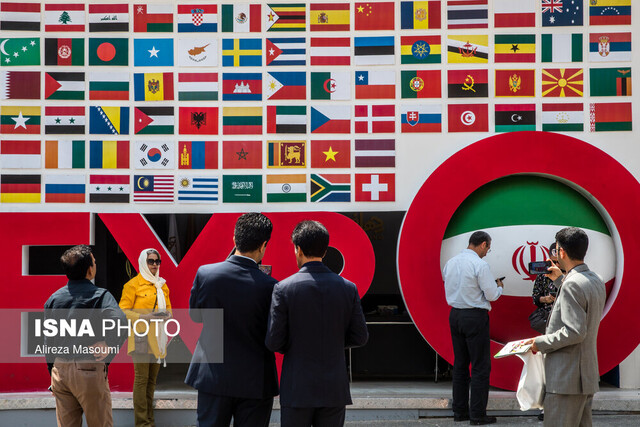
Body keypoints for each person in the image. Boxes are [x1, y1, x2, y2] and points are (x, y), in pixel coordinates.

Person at [266, 220, 369, 427]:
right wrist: (334, 340)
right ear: (325, 249)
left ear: (298, 249)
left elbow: (274, 341)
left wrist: (295, 345)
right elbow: (360, 336)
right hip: (334, 388)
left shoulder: (283, 289)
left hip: (297, 388)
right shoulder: (348, 288)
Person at [185, 212, 278, 427]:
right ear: (264, 245)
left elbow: (195, 316)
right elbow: (274, 333)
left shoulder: (206, 274)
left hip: (212, 376)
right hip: (256, 380)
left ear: (234, 239)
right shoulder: (271, 286)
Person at [525, 227, 606, 427]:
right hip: (584, 377)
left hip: (565, 379)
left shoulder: (572, 284)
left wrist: (538, 342)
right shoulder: (595, 280)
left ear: (561, 251)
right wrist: (561, 279)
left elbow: (574, 331)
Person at [44, 245, 126, 427]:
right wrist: (109, 344)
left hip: (60, 371)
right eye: (94, 261)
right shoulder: (100, 295)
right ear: (90, 269)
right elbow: (121, 320)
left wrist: (52, 372)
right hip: (89, 368)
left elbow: (48, 340)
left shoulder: (53, 299)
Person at [443, 231, 504, 425]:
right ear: (483, 244)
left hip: (455, 314)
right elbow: (492, 295)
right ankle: (477, 414)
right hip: (475, 316)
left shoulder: (451, 263)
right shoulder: (480, 264)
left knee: (460, 364)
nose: (487, 252)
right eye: (488, 248)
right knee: (480, 366)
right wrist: (499, 287)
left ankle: (459, 412)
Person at [119, 248, 172, 427]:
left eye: (157, 261)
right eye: (151, 261)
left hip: (158, 338)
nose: (155, 265)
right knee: (141, 379)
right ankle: (142, 423)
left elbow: (170, 311)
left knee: (152, 381)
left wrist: (165, 315)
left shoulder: (162, 285)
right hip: (141, 337)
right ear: (143, 262)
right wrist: (144, 317)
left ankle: (150, 420)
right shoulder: (133, 285)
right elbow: (123, 311)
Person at [530, 242, 559, 334]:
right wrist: (547, 299)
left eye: (559, 262)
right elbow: (535, 297)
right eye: (554, 262)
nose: (557, 265)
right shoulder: (543, 274)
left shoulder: (570, 273)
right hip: (548, 321)